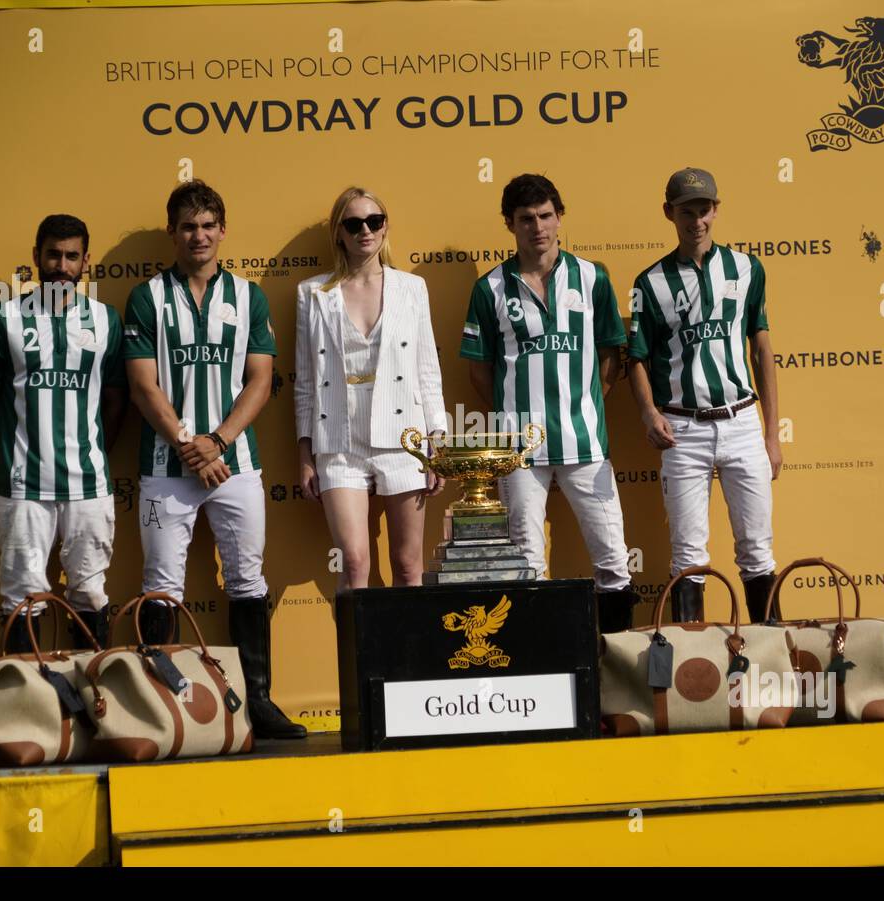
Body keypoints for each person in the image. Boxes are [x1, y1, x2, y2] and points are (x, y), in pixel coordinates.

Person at [122, 180, 305, 739]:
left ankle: (259, 703)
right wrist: (188, 442)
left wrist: (218, 442)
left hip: (236, 464)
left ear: (222, 231)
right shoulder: (147, 296)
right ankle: (160, 708)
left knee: (248, 578)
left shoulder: (247, 296)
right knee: (161, 584)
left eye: (207, 225)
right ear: (173, 233)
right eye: (187, 226)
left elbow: (261, 378)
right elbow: (142, 386)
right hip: (165, 466)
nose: (198, 236)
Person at [460, 173, 638, 631]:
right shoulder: (490, 288)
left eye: (545, 216)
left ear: (560, 217)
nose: (537, 227)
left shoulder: (592, 277)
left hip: (585, 443)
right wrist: (516, 413)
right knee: (526, 561)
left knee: (613, 558)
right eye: (525, 219)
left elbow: (610, 353)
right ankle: (539, 672)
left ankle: (615, 668)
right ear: (509, 224)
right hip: (519, 450)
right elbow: (480, 369)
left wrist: (587, 401)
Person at [627, 168, 782, 624]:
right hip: (683, 429)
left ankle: (770, 654)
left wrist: (771, 435)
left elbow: (763, 351)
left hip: (740, 422)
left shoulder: (747, 268)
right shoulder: (649, 283)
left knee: (756, 547)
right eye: (687, 211)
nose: (697, 220)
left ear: (717, 210)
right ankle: (692, 669)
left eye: (704, 210)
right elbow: (635, 356)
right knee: (688, 554)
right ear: (668, 213)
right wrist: (647, 411)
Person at [0, 215, 127, 653]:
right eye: (53, 254)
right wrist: (13, 453)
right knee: (22, 594)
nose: (61, 264)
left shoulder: (106, 320)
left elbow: (116, 402)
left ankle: (91, 706)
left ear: (86, 261)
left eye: (71, 256)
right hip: (23, 486)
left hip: (88, 484)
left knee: (91, 593)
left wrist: (91, 452)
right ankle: (28, 712)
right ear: (36, 256)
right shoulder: (3, 316)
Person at [295, 187, 448, 591]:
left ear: (385, 228)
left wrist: (436, 445)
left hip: (404, 440)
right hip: (339, 441)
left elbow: (427, 371)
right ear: (339, 233)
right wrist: (306, 453)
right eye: (354, 223)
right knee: (355, 563)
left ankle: (410, 655)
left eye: (374, 221)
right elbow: (306, 382)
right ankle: (358, 655)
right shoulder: (312, 294)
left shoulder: (411, 289)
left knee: (407, 566)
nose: (366, 230)